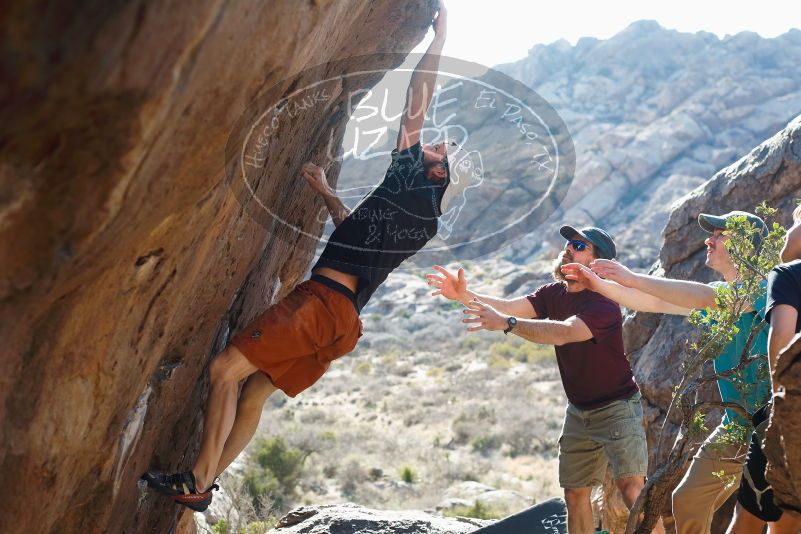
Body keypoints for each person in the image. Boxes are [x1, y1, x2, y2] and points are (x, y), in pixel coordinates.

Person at [142, 2, 452, 511]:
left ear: (433, 176)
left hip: (320, 306)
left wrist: (437, 43)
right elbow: (356, 234)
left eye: (438, 151)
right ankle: (206, 482)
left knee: (224, 371)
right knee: (255, 394)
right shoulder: (417, 218)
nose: (431, 144)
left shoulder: (411, 182)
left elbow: (414, 103)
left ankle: (197, 481)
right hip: (342, 323)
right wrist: (327, 192)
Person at [428, 225, 658, 534]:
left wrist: (507, 324)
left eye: (578, 246)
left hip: (617, 407)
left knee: (631, 489)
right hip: (580, 411)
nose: (568, 248)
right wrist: (463, 295)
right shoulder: (553, 293)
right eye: (568, 243)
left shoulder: (603, 305)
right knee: (575, 494)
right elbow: (508, 308)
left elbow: (564, 333)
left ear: (597, 263)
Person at [561, 210, 772, 534]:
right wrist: (599, 284)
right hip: (737, 427)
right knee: (689, 501)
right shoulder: (722, 295)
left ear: (743, 244)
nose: (709, 239)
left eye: (719, 234)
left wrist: (629, 276)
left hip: (775, 425)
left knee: (767, 515)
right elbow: (647, 301)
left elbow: (708, 297)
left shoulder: (762, 289)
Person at [724, 203, 801, 534]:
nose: (787, 229)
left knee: (751, 516)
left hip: (791, 413)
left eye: (796, 222)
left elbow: (782, 337)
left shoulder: (789, 275)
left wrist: (779, 403)